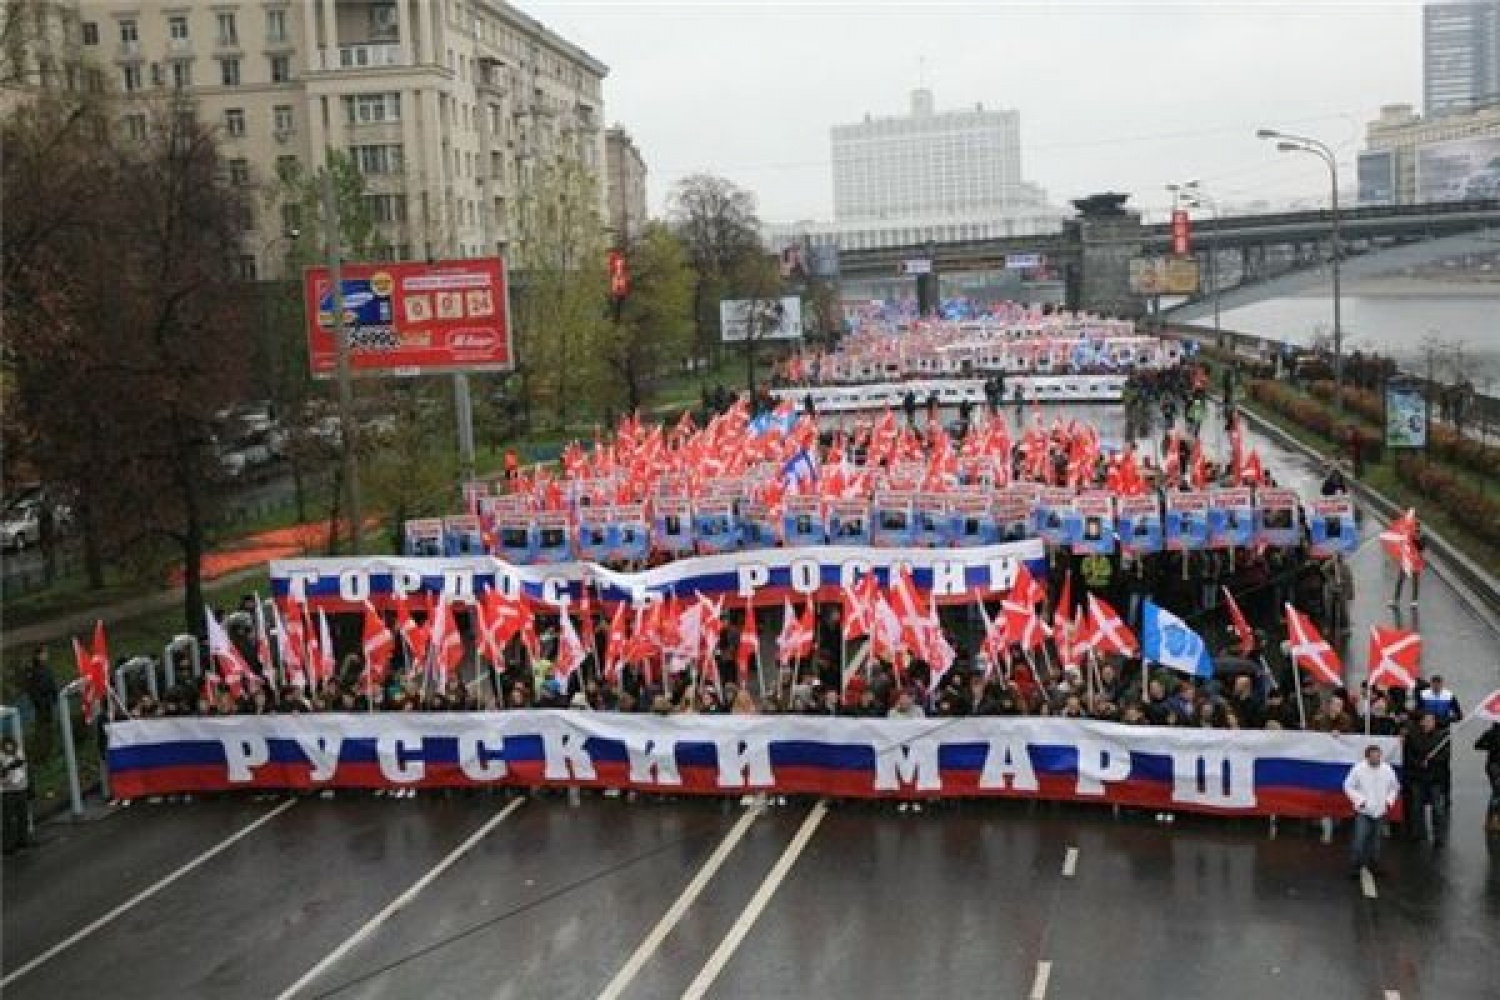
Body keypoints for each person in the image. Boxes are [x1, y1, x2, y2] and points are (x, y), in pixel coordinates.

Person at [1343, 743, 1400, 875]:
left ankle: (1374, 865)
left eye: (1378, 757)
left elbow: (1394, 787)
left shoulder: (1387, 769)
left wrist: (1389, 802)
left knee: (1376, 842)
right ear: (1367, 757)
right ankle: (1355, 867)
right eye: (1373, 757)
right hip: (1364, 811)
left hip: (1380, 811)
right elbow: (1348, 786)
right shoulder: (1358, 769)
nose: (1376, 760)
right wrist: (1360, 801)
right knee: (1359, 840)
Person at [1404, 712, 1450, 846]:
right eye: (1427, 720)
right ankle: (1418, 833)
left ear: (1435, 722)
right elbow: (1408, 755)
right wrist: (1419, 763)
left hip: (1435, 778)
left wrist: (1431, 761)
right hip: (1417, 777)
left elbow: (1445, 756)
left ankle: (1438, 836)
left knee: (1437, 808)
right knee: (1416, 807)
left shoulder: (1443, 737)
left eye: (1431, 720)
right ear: (1421, 722)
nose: (1429, 723)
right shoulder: (1412, 736)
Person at [0, 736, 32, 855]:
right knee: (8, 819)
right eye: (7, 746)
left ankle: (23, 840)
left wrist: (29, 787)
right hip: (7, 791)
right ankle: (8, 846)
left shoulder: (19, 752)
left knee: (23, 816)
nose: (9, 748)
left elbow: (25, 768)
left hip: (21, 788)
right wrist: (7, 769)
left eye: (11, 745)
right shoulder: (1, 757)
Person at [1390, 522, 1425, 609]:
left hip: (1416, 561)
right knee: (1400, 580)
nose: (1415, 530)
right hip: (1407, 560)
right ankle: (1395, 600)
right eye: (1414, 528)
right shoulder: (1407, 535)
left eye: (1417, 529)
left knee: (1415, 581)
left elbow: (1421, 548)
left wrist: (1417, 539)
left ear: (1419, 529)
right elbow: (1402, 544)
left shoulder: (1422, 537)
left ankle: (1414, 600)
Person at [1476, 722, 1500, 835]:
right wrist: (1491, 746)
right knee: (1497, 792)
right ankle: (1494, 820)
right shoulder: (1491, 733)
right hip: (1494, 766)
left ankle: (1489, 820)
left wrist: (1490, 746)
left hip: (1492, 765)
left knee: (1496, 792)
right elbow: (1477, 745)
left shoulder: (1489, 732)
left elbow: (1478, 745)